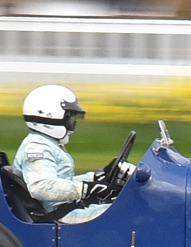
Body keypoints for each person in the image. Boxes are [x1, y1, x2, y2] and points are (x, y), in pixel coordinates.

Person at [13, 84, 117, 223]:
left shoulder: (48, 143)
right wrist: (85, 189)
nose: (72, 123)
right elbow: (41, 187)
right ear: (51, 116)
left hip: (66, 209)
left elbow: (61, 180)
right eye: (69, 118)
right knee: (125, 213)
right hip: (59, 216)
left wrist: (95, 177)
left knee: (121, 207)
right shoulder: (37, 147)